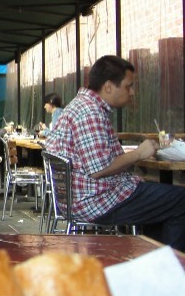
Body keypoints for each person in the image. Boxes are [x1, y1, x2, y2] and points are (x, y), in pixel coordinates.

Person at [46, 55, 185, 250]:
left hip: (82, 198)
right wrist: (139, 153)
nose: (132, 92)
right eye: (129, 86)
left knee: (160, 202)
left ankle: (151, 259)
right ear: (109, 86)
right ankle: (168, 266)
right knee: (180, 200)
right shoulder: (89, 112)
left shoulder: (82, 106)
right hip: (96, 201)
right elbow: (99, 169)